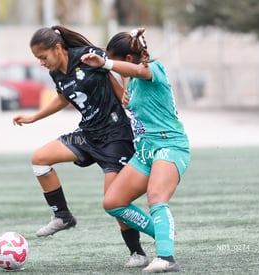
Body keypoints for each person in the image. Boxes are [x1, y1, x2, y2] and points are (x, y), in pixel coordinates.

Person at [12, 25, 152, 267]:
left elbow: (122, 64)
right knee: (40, 159)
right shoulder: (56, 70)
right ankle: (63, 216)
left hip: (115, 136)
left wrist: (127, 89)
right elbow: (64, 98)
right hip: (86, 135)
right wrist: (34, 117)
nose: (42, 64)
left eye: (43, 57)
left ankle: (137, 253)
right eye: (38, 60)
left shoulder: (87, 55)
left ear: (58, 48)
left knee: (114, 202)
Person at [81, 27, 190, 273]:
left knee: (156, 198)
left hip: (169, 146)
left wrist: (105, 63)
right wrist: (110, 76)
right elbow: (127, 88)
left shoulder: (155, 69)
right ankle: (164, 231)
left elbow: (137, 70)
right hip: (144, 152)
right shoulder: (131, 81)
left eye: (115, 61)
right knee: (113, 202)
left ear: (127, 59)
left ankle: (166, 258)